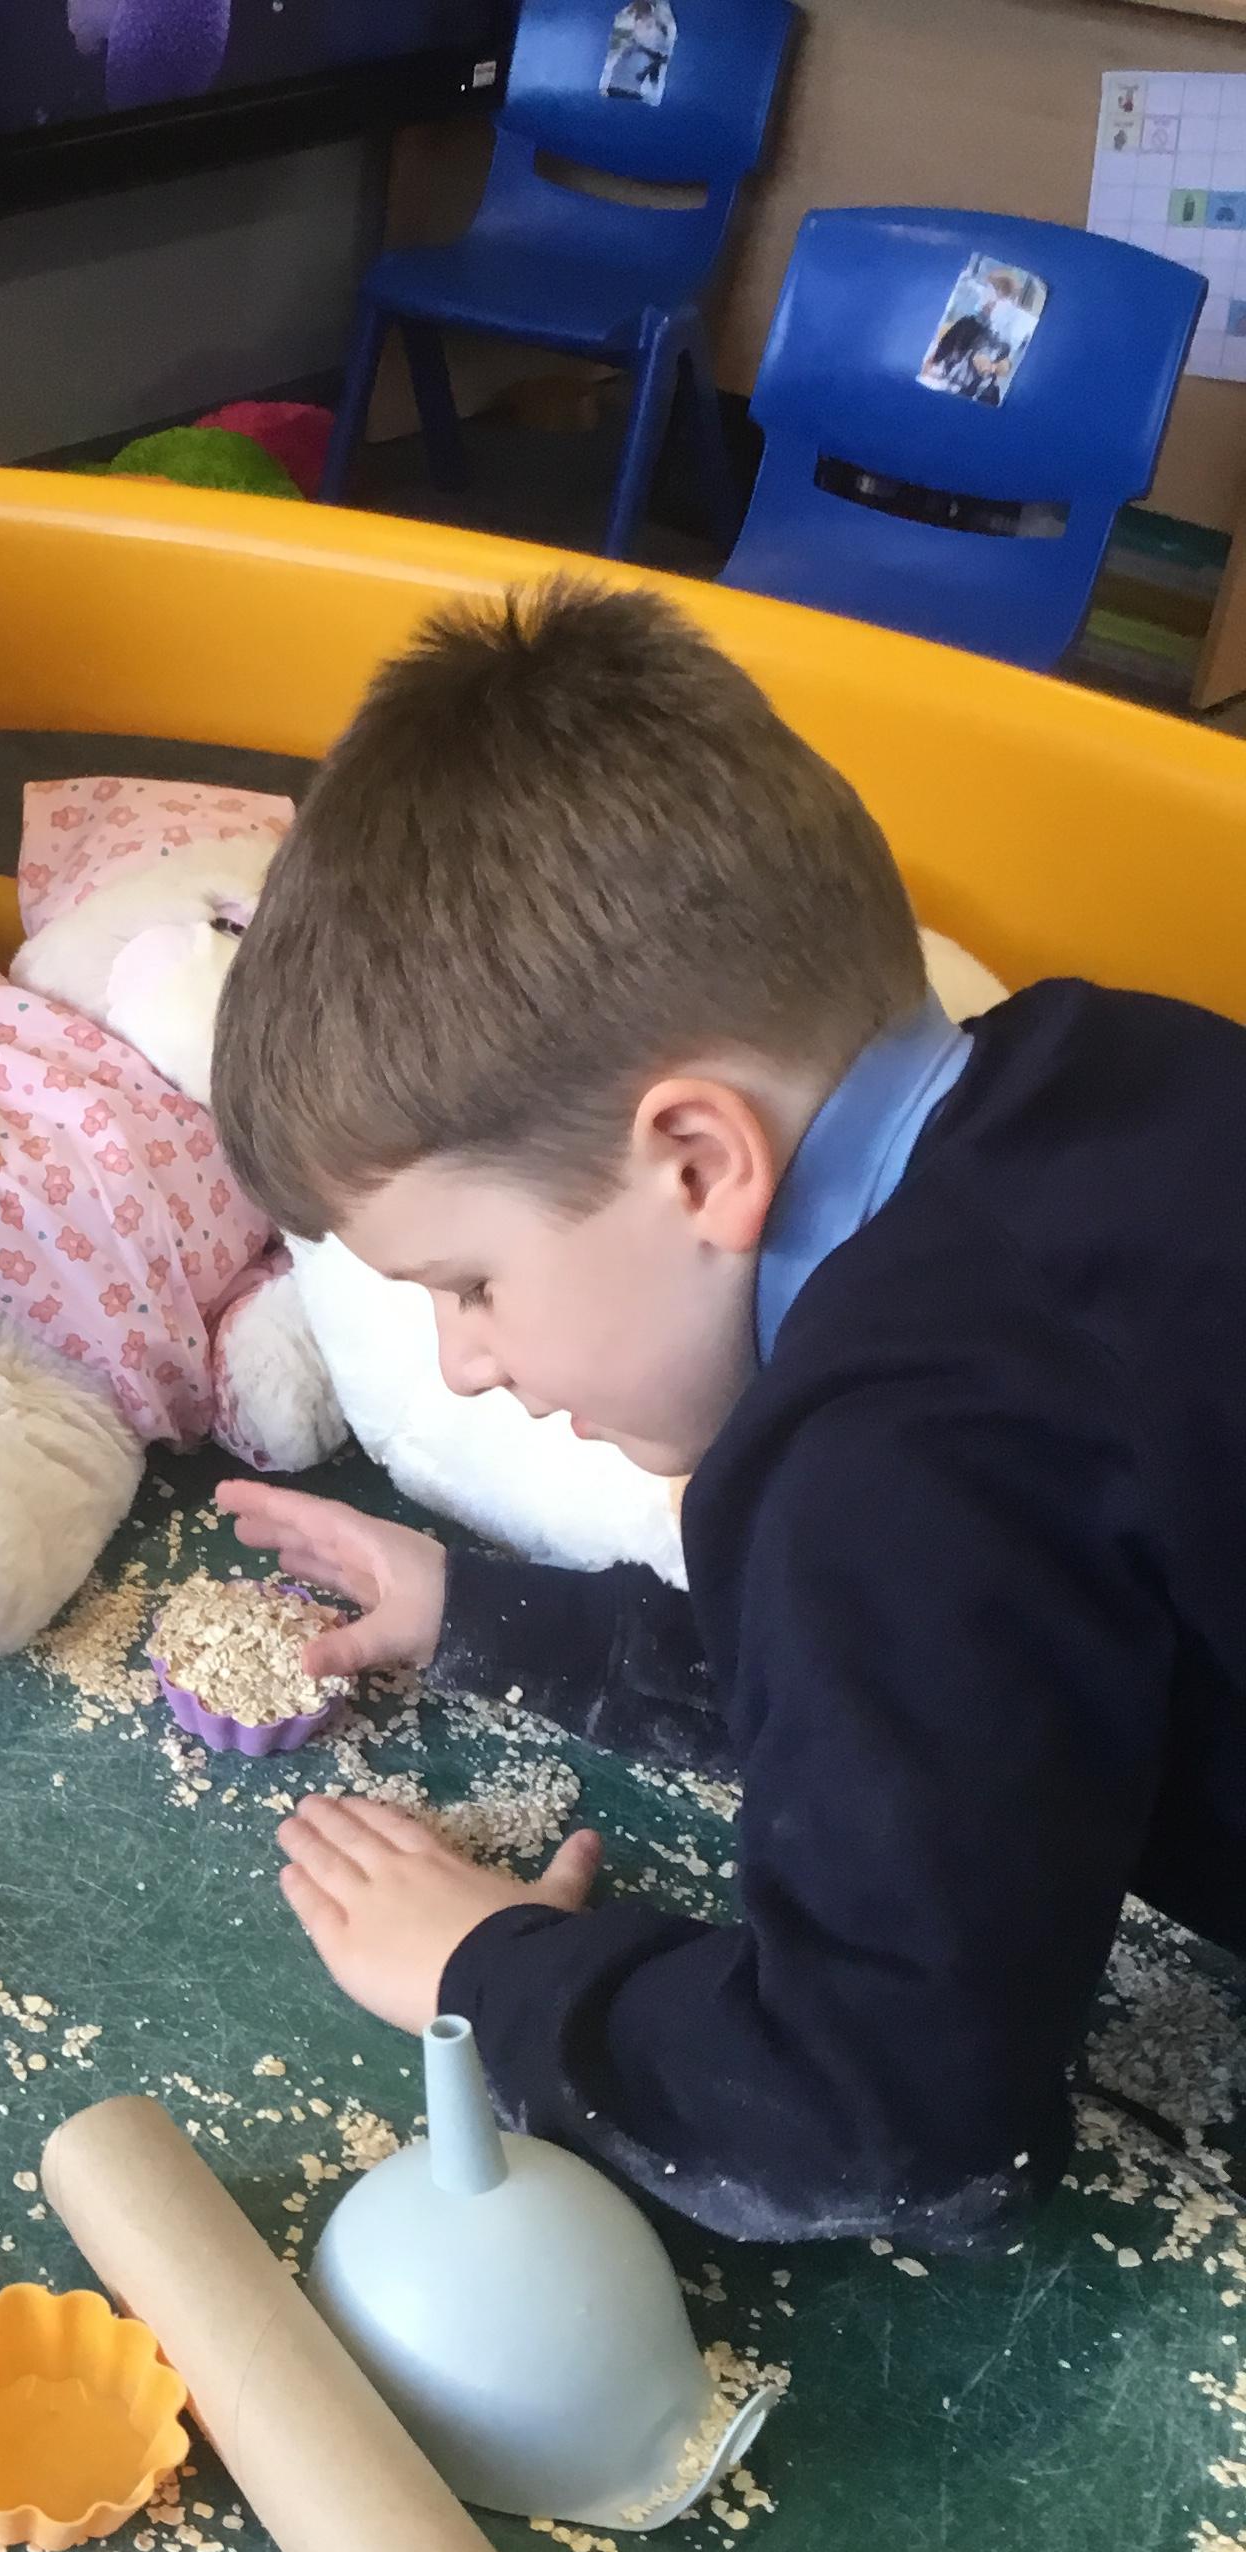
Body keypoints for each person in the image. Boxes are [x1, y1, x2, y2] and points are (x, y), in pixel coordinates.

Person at [209, 583, 1246, 2247]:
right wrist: (484, 1617)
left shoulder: (898, 1458)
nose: (465, 1362)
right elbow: (946, 1688)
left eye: (470, 1282)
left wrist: (491, 1971)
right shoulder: (1100, 1069)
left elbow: (887, 2116)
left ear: (699, 1163)